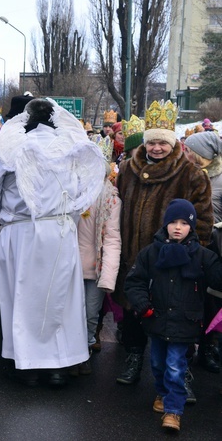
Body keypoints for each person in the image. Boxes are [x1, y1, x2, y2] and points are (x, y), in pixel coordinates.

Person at [0, 98, 105, 386]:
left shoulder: (11, 147)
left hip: (20, 232)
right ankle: (59, 366)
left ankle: (26, 365)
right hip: (60, 232)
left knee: (20, 298)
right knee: (61, 299)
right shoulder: (71, 147)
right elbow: (85, 191)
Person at [114, 100, 212, 394]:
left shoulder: (192, 175)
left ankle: (181, 374)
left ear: (172, 143)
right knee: (135, 309)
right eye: (152, 142)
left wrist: (190, 256)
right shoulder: (128, 171)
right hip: (134, 256)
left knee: (176, 319)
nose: (156, 148)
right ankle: (133, 357)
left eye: (162, 142)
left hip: (175, 262)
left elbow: (204, 221)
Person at [124, 199, 222, 432]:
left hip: (185, 323)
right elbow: (134, 281)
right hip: (156, 319)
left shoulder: (202, 256)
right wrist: (143, 305)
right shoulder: (151, 252)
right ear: (165, 224)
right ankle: (162, 391)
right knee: (157, 363)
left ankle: (173, 411)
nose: (178, 227)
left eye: (184, 223)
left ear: (192, 226)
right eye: (173, 222)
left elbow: (218, 279)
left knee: (176, 366)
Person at [76, 136, 122, 373]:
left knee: (89, 314)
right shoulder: (71, 193)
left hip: (95, 269)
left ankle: (82, 354)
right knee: (68, 313)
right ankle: (68, 355)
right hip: (69, 265)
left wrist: (108, 277)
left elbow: (113, 239)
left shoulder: (111, 199)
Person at [183, 131, 222, 373]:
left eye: (190, 150)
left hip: (215, 247)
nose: (186, 153)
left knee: (211, 301)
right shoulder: (187, 174)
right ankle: (186, 348)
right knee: (187, 297)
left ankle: (209, 346)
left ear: (202, 155)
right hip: (187, 243)